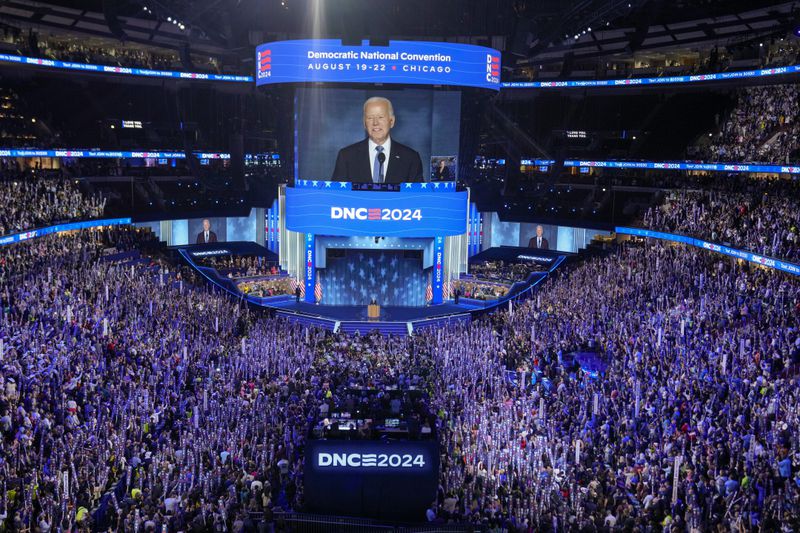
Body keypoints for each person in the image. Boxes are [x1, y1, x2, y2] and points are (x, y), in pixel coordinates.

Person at [331, 97, 424, 183]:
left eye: (381, 117)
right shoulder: (346, 156)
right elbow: (337, 196)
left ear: (392, 121)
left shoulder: (410, 158)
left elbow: (418, 197)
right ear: (364, 123)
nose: (375, 123)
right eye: (370, 118)